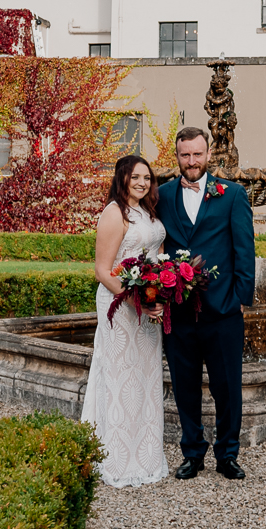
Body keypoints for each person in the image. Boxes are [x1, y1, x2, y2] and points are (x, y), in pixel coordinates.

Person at [155, 127, 255, 479]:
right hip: (179, 312)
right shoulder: (163, 195)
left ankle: (227, 454)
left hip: (224, 312)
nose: (192, 161)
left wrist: (240, 300)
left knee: (227, 386)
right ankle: (192, 453)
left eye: (197, 154)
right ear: (177, 156)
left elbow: (245, 251)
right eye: (185, 155)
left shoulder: (233, 195)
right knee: (184, 386)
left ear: (208, 154)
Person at [80, 155, 171, 488]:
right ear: (122, 178)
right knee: (119, 378)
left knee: (145, 379)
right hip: (119, 307)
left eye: (147, 178)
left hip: (147, 308)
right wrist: (138, 299)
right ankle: (115, 459)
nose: (142, 183)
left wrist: (159, 293)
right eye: (135, 177)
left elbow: (158, 259)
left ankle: (146, 456)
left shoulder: (149, 213)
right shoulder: (114, 213)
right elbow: (102, 271)